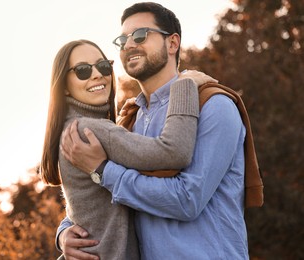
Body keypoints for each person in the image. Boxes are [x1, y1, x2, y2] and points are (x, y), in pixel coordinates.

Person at [59, 2, 252, 259]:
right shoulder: (131, 121)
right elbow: (96, 199)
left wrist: (103, 171)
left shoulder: (214, 106)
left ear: (172, 44)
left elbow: (187, 200)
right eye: (123, 39)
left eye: (140, 35)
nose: (129, 45)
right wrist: (63, 233)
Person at [40, 38, 216, 259]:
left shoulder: (73, 128)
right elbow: (173, 152)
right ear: (63, 86)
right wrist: (184, 85)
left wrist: (62, 233)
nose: (97, 74)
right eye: (83, 70)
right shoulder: (90, 130)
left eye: (103, 66)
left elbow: (88, 207)